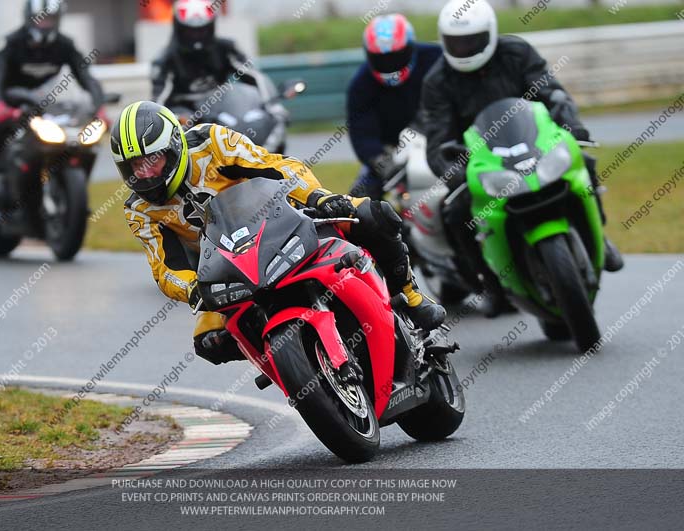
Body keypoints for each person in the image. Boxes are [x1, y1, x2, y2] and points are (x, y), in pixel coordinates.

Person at [114, 101, 446, 365]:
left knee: (373, 214)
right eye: (133, 167)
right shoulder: (139, 209)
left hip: (279, 219)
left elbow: (276, 165)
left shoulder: (210, 143)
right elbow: (164, 268)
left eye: (151, 159)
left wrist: (320, 197)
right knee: (210, 344)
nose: (144, 173)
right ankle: (295, 361)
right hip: (225, 267)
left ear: (173, 145)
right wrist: (190, 290)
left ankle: (411, 296)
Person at [421, 0, 623, 313]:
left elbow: (551, 93)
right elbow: (437, 138)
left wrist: (574, 126)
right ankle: (490, 282)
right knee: (456, 211)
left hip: (536, 142)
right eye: (456, 42)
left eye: (471, 40)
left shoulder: (517, 53)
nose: (463, 48)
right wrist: (453, 171)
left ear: (490, 33)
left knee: (585, 164)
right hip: (483, 161)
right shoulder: (437, 81)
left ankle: (602, 240)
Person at [0, 0, 104, 198]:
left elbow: (86, 76)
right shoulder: (11, 43)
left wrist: (99, 105)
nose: (46, 24)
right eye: (41, 19)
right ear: (29, 18)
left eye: (50, 19)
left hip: (45, 105)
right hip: (11, 103)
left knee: (81, 143)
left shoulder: (65, 44)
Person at [347, 14, 443, 200]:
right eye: (381, 58)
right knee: (357, 200)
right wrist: (381, 162)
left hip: (439, 138)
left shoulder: (436, 58)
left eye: (396, 56)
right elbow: (362, 134)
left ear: (410, 48)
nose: (389, 64)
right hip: (391, 151)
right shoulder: (361, 84)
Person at [151, 0, 274, 111]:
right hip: (185, 117)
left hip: (223, 110)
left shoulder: (226, 48)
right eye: (190, 31)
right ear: (179, 29)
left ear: (211, 27)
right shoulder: (165, 59)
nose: (196, 36)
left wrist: (272, 106)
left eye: (202, 30)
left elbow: (254, 76)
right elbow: (159, 98)